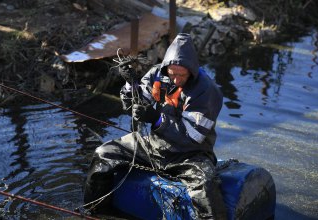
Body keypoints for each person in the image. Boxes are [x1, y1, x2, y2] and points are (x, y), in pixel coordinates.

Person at [83, 33, 227, 219]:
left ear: (192, 70)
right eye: (172, 74)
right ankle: (95, 211)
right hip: (154, 146)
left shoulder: (206, 91)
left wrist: (157, 119)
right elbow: (133, 103)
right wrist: (130, 84)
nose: (175, 79)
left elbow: (192, 136)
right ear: (166, 68)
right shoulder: (157, 75)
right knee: (103, 154)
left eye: (181, 75)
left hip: (191, 154)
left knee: (206, 185)